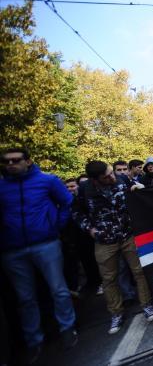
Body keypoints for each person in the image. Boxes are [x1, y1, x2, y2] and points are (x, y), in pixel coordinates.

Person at [0, 148, 78, 362]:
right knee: (25, 298)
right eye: (6, 162)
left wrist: (56, 226)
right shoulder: (1, 186)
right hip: (12, 250)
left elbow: (67, 202)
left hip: (46, 244)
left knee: (58, 290)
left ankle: (67, 329)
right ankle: (34, 341)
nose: (10, 165)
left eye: (16, 160)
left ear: (28, 161)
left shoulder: (48, 181)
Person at [74, 161, 153, 334]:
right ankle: (116, 313)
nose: (112, 177)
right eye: (107, 176)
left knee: (139, 271)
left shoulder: (121, 180)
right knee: (109, 279)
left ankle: (147, 305)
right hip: (104, 240)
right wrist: (90, 229)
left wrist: (137, 187)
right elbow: (76, 212)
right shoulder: (84, 190)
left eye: (112, 173)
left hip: (128, 234)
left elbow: (135, 190)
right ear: (95, 180)